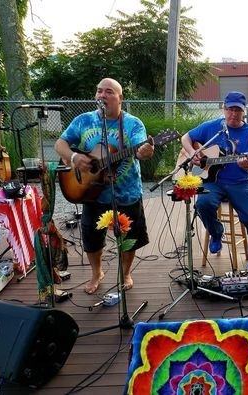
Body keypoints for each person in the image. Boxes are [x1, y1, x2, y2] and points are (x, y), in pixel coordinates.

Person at [54, 78, 154, 294]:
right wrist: (73, 158)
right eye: (99, 91)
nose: (102, 95)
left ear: (120, 98)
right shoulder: (83, 121)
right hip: (92, 193)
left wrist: (144, 151)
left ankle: (126, 272)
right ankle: (96, 273)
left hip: (126, 193)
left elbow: (141, 147)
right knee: (91, 236)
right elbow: (59, 144)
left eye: (109, 92)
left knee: (129, 237)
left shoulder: (133, 123)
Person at [181, 91, 248, 271]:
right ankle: (216, 233)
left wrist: (246, 164)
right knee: (202, 204)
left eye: (238, 110)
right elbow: (185, 137)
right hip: (213, 181)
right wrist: (192, 153)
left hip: (241, 182)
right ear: (223, 108)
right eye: (230, 109)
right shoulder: (212, 127)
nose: (233, 114)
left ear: (244, 111)